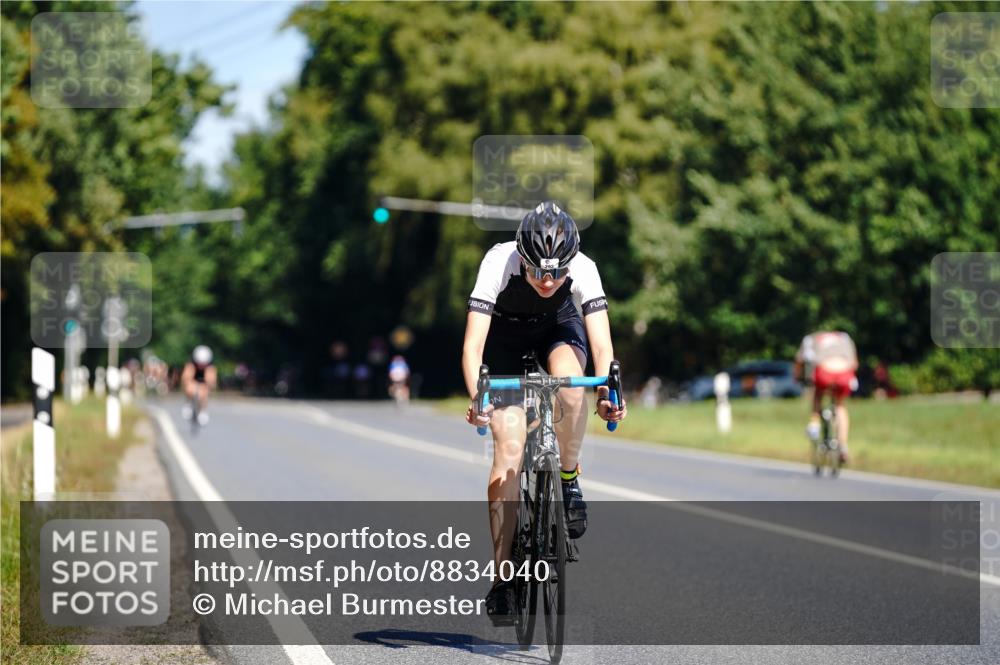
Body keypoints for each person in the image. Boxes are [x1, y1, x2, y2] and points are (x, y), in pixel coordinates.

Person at [461, 201, 626, 624]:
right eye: (537, 271)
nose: (549, 281)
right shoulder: (498, 262)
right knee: (510, 449)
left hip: (558, 330)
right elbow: (473, 346)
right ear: (521, 256)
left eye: (558, 272)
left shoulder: (585, 268)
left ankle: (568, 479)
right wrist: (478, 399)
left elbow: (603, 347)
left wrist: (609, 390)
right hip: (504, 339)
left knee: (572, 391)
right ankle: (502, 580)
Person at [794, 331, 858, 464]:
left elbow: (800, 361)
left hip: (825, 371)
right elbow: (854, 363)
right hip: (844, 371)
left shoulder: (810, 339)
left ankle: (814, 423)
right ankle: (843, 445)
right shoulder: (844, 338)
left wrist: (797, 377)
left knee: (817, 394)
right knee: (840, 406)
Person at [181, 345, 217, 425]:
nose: (201, 365)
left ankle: (203, 410)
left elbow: (212, 381)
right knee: (190, 388)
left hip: (204, 383)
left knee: (204, 392)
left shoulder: (210, 367)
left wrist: (208, 385)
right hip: (193, 380)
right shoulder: (191, 364)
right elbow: (186, 377)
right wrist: (189, 384)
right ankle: (188, 404)